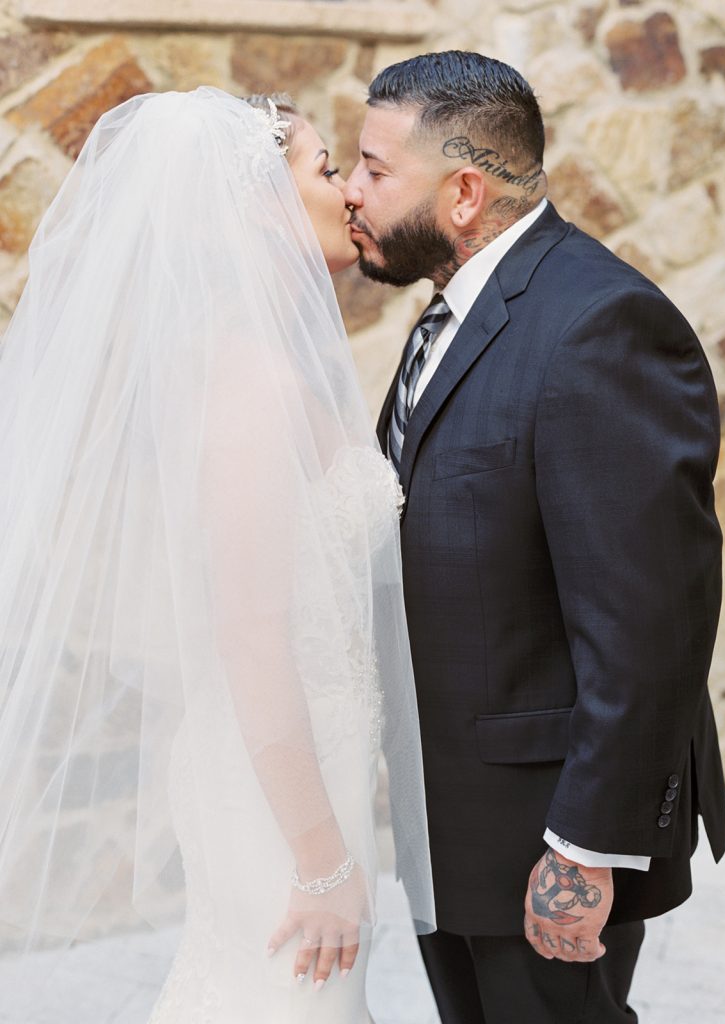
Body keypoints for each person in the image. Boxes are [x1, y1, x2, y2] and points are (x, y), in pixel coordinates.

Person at [0, 87, 434, 1023]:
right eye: (326, 169)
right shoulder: (250, 387)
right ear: (261, 208)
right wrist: (319, 859)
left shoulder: (264, 362)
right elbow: (248, 636)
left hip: (310, 763)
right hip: (275, 795)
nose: (349, 191)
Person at [343, 50, 725, 1024]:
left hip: (542, 835)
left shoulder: (601, 325)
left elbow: (651, 623)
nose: (352, 190)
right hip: (451, 822)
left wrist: (584, 850)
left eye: (376, 170)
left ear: (464, 193)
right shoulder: (451, 311)